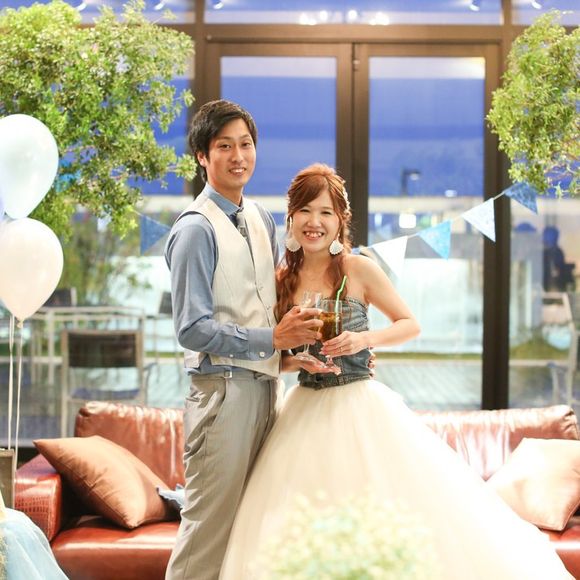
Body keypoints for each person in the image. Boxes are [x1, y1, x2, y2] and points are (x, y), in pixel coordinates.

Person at [220, 163, 573, 579]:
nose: (315, 222)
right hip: (302, 408)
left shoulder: (358, 269)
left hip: (359, 404)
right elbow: (274, 350)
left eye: (326, 212)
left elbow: (409, 323)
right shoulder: (280, 279)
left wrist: (363, 340)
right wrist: (295, 361)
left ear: (340, 221)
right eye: (306, 211)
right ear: (291, 217)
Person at [164, 100, 323, 580]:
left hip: (265, 389)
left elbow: (260, 304)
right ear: (202, 156)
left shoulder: (260, 218)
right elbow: (191, 328)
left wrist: (289, 357)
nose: (238, 156)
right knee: (207, 536)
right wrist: (271, 338)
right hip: (222, 395)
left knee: (249, 533)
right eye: (224, 146)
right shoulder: (195, 229)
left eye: (246, 144)